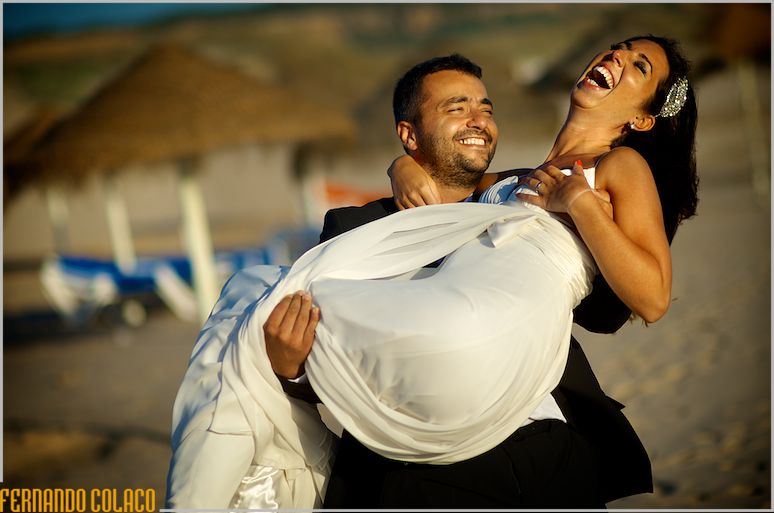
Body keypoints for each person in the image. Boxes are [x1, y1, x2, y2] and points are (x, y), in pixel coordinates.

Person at [166, 36, 698, 510]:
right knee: (255, 307)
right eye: (455, 108)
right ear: (410, 134)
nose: (616, 57)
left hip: (534, 431)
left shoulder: (617, 168)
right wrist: (291, 372)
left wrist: (580, 202)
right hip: (425, 452)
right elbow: (463, 187)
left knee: (250, 293)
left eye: (638, 66)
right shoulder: (507, 182)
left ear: (643, 119)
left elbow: (650, 299)